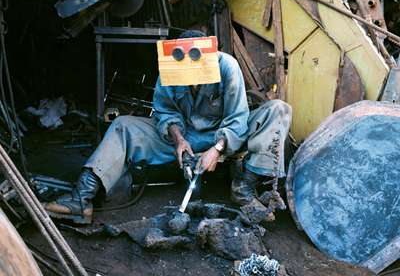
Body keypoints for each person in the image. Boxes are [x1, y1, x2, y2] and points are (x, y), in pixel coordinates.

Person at [44, 30, 292, 224]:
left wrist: (217, 149)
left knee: (278, 109)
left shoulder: (227, 66)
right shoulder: (171, 69)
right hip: (187, 137)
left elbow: (237, 117)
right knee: (123, 125)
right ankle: (82, 197)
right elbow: (165, 111)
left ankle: (244, 188)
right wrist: (179, 140)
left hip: (226, 136)